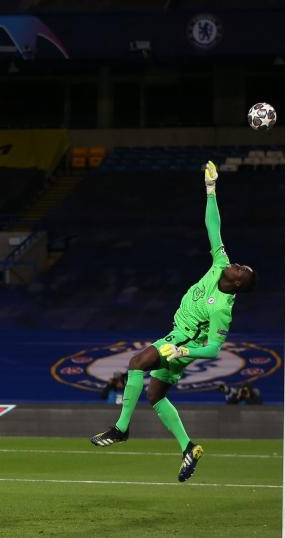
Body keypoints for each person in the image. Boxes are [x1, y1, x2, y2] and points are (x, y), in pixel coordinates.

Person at [90, 161, 257, 482]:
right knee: (155, 396)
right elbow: (213, 227)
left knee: (137, 362)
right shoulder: (220, 263)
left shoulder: (223, 307)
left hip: (184, 342)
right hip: (176, 335)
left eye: (241, 271)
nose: (236, 265)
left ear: (237, 284)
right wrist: (211, 190)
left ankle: (121, 429)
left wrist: (183, 353)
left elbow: (212, 351)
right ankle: (188, 447)